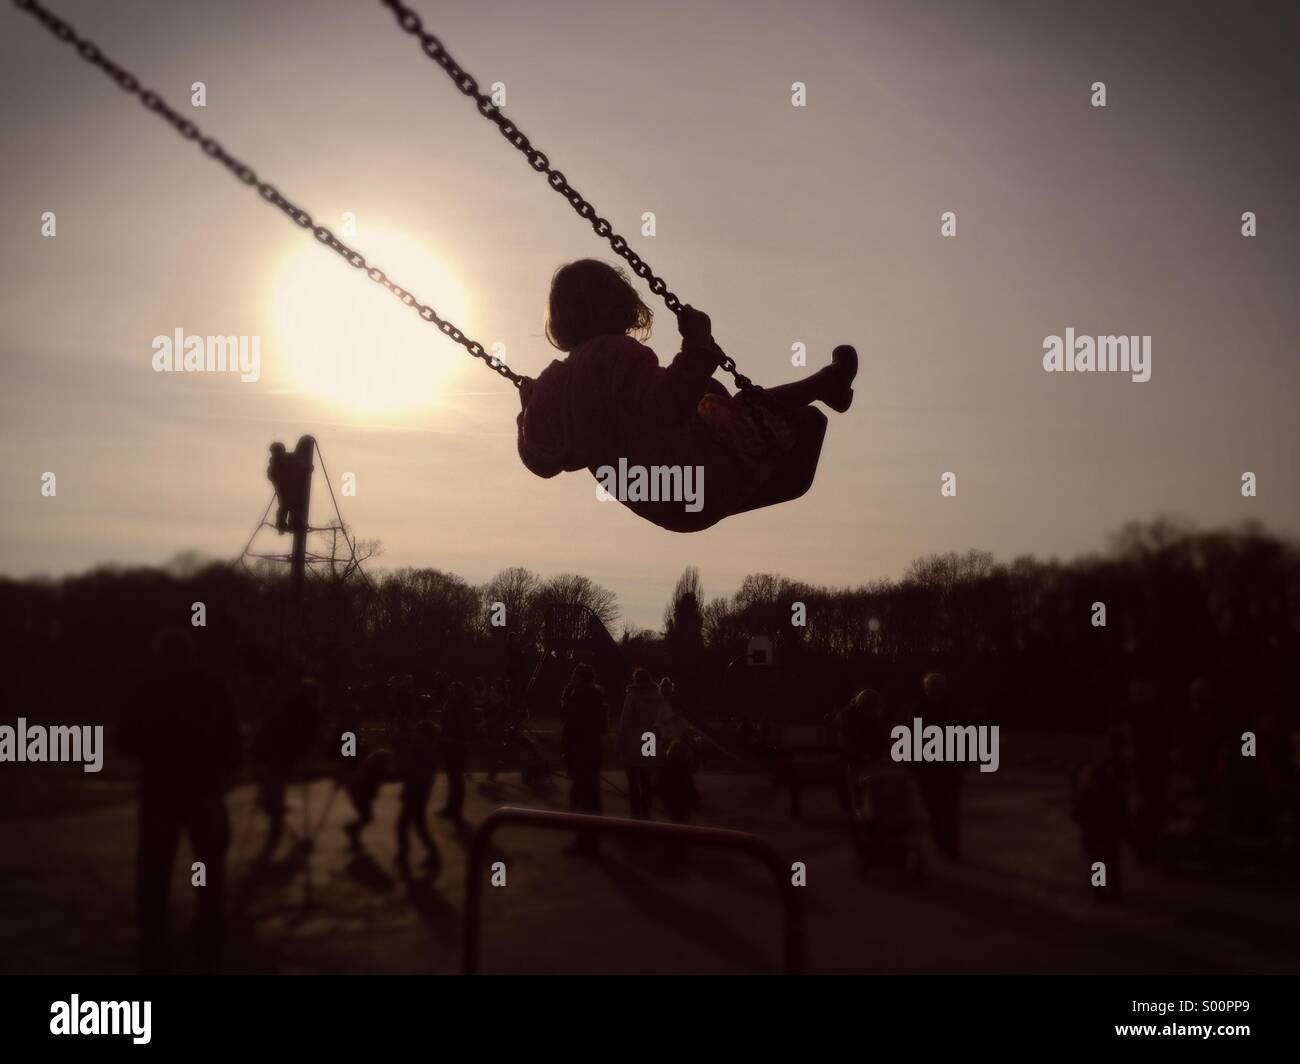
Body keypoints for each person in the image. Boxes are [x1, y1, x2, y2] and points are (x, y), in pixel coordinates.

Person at [516, 259, 858, 532]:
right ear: (617, 305)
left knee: (712, 397)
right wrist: (697, 345)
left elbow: (540, 462)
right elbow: (667, 406)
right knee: (748, 407)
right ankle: (825, 384)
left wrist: (528, 413)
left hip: (660, 501)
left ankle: (825, 384)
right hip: (701, 479)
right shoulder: (615, 354)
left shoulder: (553, 385)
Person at [117, 630, 242, 973]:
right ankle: (208, 930)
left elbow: (123, 739)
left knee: (155, 869)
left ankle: (154, 938)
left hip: (160, 792)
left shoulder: (149, 691)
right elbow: (233, 743)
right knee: (208, 866)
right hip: (203, 790)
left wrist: (155, 747)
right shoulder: (212, 690)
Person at [250, 677, 322, 864]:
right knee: (272, 794)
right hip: (278, 756)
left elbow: (309, 737)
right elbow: (310, 737)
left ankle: (277, 823)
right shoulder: (303, 710)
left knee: (272, 793)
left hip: (274, 756)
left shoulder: (290, 706)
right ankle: (279, 823)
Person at [908, 671, 966, 861]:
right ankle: (944, 845)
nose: (937, 693)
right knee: (937, 811)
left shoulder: (951, 710)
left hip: (947, 770)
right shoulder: (920, 712)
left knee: (947, 811)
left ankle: (949, 847)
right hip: (930, 771)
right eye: (934, 689)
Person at [560, 664, 607, 856]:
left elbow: (572, 723)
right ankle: (588, 839)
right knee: (588, 796)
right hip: (589, 751)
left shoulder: (583, 697)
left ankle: (586, 841)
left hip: (582, 752)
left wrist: (567, 703)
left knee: (583, 797)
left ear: (581, 678)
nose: (571, 677)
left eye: (574, 674)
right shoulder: (593, 696)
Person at [619, 667, 670, 818]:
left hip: (635, 739)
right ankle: (647, 812)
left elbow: (625, 722)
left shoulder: (632, 697)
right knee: (646, 779)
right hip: (651, 738)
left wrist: (621, 742)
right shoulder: (659, 697)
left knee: (633, 780)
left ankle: (635, 813)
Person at [395, 719, 442, 876]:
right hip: (413, 793)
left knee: (409, 826)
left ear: (425, 736)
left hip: (417, 795)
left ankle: (409, 854)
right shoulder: (418, 750)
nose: (414, 735)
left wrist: (410, 768)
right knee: (415, 826)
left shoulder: (426, 753)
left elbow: (420, 774)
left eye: (418, 733)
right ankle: (428, 855)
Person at [438, 681, 476, 822]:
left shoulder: (460, 706)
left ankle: (455, 809)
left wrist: (455, 739)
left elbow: (460, 726)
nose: (452, 692)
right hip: (452, 743)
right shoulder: (453, 704)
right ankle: (451, 807)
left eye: (455, 690)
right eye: (451, 690)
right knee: (453, 778)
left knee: (456, 778)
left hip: (456, 744)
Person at [343, 748, 392, 853]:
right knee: (367, 817)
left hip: (360, 793)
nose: (388, 763)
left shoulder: (372, 768)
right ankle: (351, 830)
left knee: (366, 817)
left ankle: (354, 837)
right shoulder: (374, 769)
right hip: (359, 793)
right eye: (387, 760)